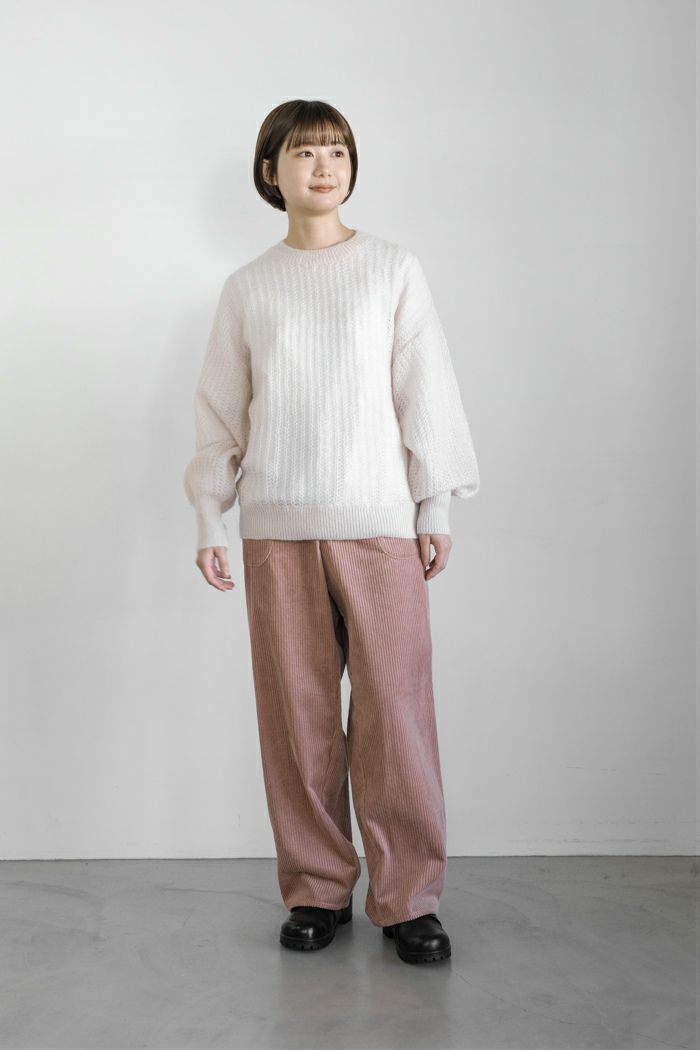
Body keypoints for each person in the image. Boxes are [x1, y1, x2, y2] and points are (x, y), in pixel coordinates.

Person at [183, 99, 480, 965]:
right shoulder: (249, 287)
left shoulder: (391, 269)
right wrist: (209, 514)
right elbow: (221, 411)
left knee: (397, 715)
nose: (325, 166)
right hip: (277, 528)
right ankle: (317, 890)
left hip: (378, 525)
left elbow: (425, 389)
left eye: (338, 151)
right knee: (298, 717)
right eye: (306, 152)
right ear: (269, 171)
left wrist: (434, 504)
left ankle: (408, 899)